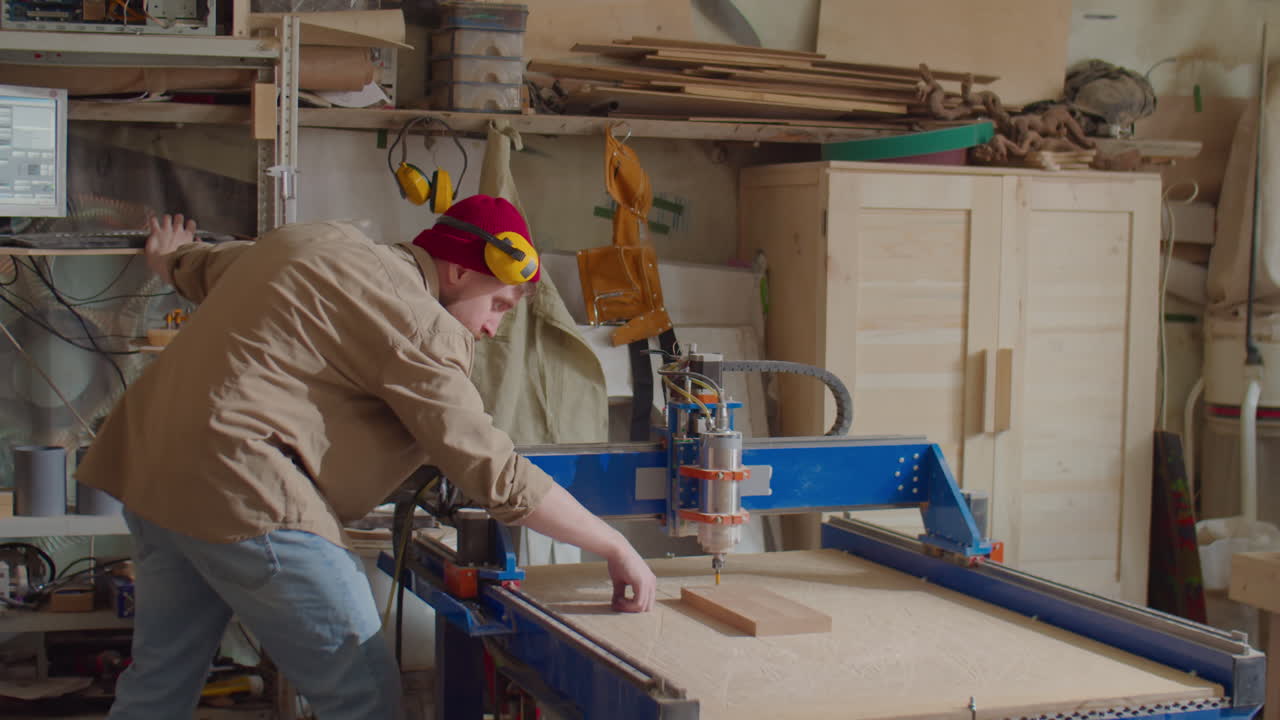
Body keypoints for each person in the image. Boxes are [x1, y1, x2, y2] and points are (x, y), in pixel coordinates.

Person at [77, 194, 657, 720]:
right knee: (364, 698)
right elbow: (494, 472)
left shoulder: (315, 239)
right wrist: (614, 544)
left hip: (151, 474)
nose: (491, 327)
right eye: (498, 304)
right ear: (459, 270)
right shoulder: (420, 322)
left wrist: (171, 258)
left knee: (159, 684)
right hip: (243, 490)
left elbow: (210, 267)